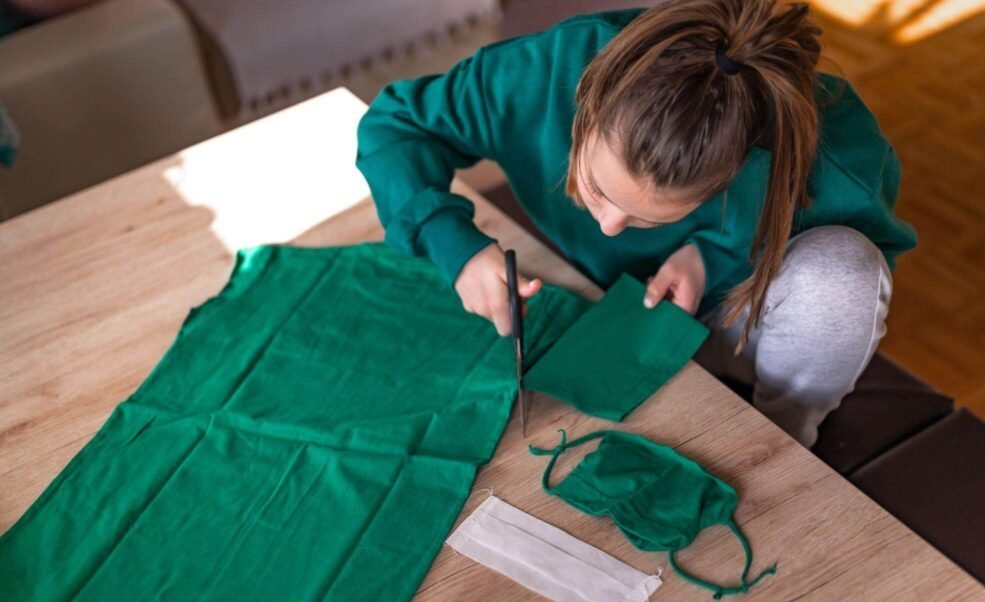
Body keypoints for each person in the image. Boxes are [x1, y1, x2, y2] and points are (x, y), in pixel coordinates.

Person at [355, 0, 918, 448]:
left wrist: (713, 255)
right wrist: (453, 243)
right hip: (597, 303)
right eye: (598, 189)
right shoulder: (542, 71)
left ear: (733, 172)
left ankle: (785, 438)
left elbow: (853, 299)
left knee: (843, 273)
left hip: (740, 318)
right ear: (586, 99)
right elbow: (396, 126)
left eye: (650, 218)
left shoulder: (835, 158)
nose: (607, 227)